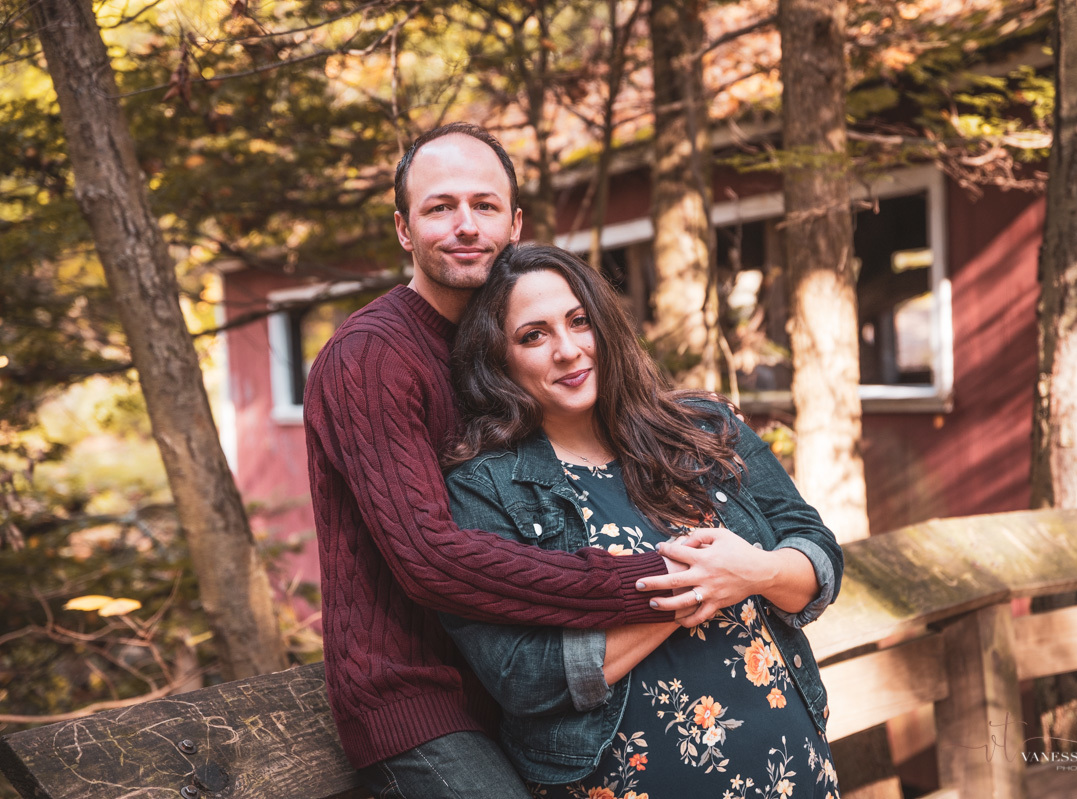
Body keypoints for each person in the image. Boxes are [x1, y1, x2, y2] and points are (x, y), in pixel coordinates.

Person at [303, 123, 772, 799]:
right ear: (404, 229)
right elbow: (429, 559)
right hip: (424, 701)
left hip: (521, 680)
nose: (466, 225)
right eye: (440, 208)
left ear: (514, 223)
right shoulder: (371, 356)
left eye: (485, 205)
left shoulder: (503, 347)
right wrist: (659, 575)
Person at [439, 243, 843, 798]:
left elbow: (816, 551)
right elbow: (521, 676)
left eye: (580, 321)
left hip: (796, 773)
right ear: (498, 358)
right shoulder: (484, 489)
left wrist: (757, 573)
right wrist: (694, 587)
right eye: (533, 335)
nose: (568, 349)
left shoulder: (704, 427)